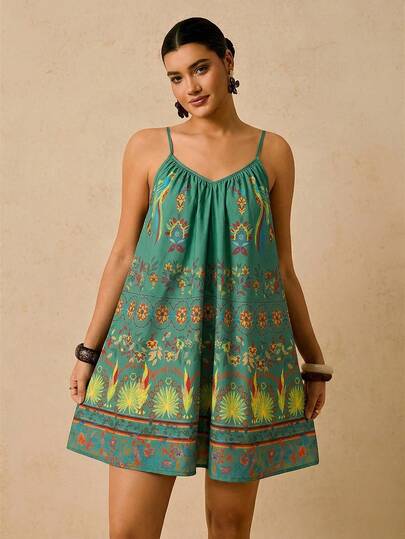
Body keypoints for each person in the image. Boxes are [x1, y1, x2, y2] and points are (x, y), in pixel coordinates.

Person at [67, 16, 333, 539]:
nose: (189, 86)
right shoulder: (147, 147)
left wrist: (314, 361)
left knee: (229, 528)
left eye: (200, 68)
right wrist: (88, 351)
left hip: (243, 359)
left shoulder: (273, 152)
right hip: (151, 357)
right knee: (129, 531)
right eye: (176, 77)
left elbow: (282, 268)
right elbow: (122, 254)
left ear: (228, 61)